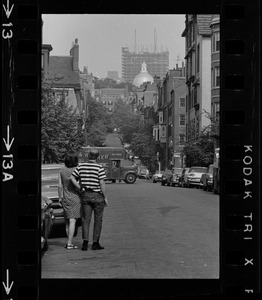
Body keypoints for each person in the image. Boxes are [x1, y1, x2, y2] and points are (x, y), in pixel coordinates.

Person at [71, 148, 108, 251]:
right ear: (97, 157)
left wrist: (80, 187)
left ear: (88, 156)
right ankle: (95, 243)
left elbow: (72, 178)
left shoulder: (81, 166)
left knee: (86, 220)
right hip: (97, 195)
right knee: (98, 220)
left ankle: (85, 243)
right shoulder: (99, 168)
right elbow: (102, 183)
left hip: (86, 195)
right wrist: (105, 197)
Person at [58, 152, 82, 250]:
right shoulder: (77, 170)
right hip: (75, 197)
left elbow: (60, 186)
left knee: (67, 221)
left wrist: (60, 197)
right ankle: (69, 243)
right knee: (73, 221)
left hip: (65, 197)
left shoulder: (62, 170)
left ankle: (69, 242)